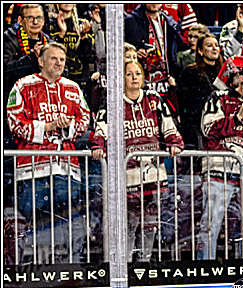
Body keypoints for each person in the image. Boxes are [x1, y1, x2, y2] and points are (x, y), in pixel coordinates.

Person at [6, 42, 91, 264]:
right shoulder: (23, 85)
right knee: (33, 225)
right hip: (31, 168)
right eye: (53, 58)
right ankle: (29, 270)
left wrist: (66, 127)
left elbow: (84, 119)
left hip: (67, 168)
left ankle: (67, 270)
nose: (59, 63)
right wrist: (48, 126)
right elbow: (14, 122)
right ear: (41, 61)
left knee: (67, 224)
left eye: (62, 59)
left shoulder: (73, 88)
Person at [91, 59, 184, 263]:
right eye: (129, 74)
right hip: (128, 177)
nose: (134, 78)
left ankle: (144, 262)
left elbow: (168, 124)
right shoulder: (114, 102)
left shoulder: (154, 100)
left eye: (137, 74)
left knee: (151, 224)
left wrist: (174, 141)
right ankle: (125, 265)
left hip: (153, 174)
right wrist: (98, 145)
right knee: (130, 224)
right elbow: (102, 127)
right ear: (121, 78)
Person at [197, 63, 243, 260]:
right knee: (210, 227)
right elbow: (208, 130)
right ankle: (205, 271)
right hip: (218, 171)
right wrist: (237, 118)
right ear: (240, 79)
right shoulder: (219, 98)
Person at [125, 3, 187, 97]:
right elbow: (125, 47)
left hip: (166, 80)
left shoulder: (170, 22)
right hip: (143, 80)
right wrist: (135, 51)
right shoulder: (132, 21)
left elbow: (178, 49)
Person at [176, 33, 223, 149]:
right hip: (195, 128)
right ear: (200, 51)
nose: (214, 48)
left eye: (216, 45)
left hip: (218, 125)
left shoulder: (225, 73)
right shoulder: (189, 72)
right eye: (209, 46)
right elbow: (182, 102)